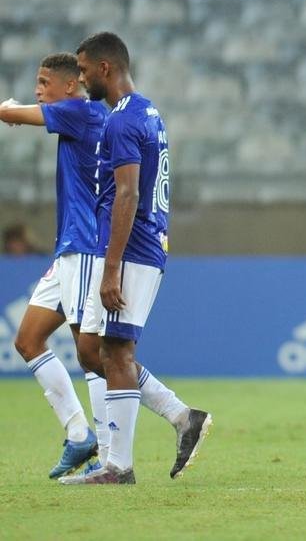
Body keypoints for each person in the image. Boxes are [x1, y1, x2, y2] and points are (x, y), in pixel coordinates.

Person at [60, 32, 211, 485]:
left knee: (117, 351)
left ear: (105, 68)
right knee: (92, 351)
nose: (82, 80)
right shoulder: (146, 112)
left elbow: (127, 191)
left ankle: (118, 466)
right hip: (135, 245)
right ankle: (182, 416)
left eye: (84, 71)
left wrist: (110, 269)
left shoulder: (122, 122)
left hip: (132, 248)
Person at [2, 53, 107, 478]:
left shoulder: (79, 111)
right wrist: (14, 111)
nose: (38, 88)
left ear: (69, 87)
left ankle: (115, 449)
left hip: (83, 248)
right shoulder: (70, 115)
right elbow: (24, 114)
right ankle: (80, 434)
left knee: (92, 352)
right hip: (67, 251)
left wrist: (10, 109)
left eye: (44, 81)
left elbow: (20, 113)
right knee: (28, 340)